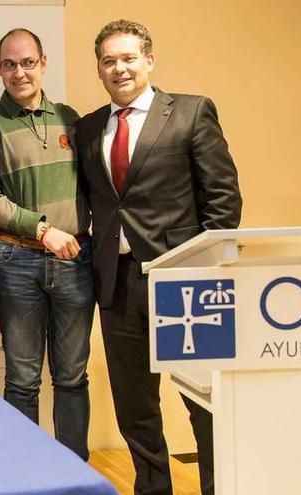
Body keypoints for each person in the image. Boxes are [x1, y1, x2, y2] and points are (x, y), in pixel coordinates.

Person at [76, 20, 242, 495]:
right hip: (118, 282)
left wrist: (205, 272)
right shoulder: (88, 129)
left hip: (185, 281)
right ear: (99, 69)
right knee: (136, 406)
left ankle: (219, 486)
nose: (119, 68)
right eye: (109, 60)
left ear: (149, 59)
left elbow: (224, 202)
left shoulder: (190, 113)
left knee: (203, 400)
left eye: (128, 57)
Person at [0, 28, 93, 460]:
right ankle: (22, 470)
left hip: (75, 259)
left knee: (73, 377)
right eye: (9, 64)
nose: (18, 72)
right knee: (22, 378)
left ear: (43, 63)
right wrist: (42, 229)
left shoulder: (71, 120)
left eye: (27, 62)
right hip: (16, 260)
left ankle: (76, 473)